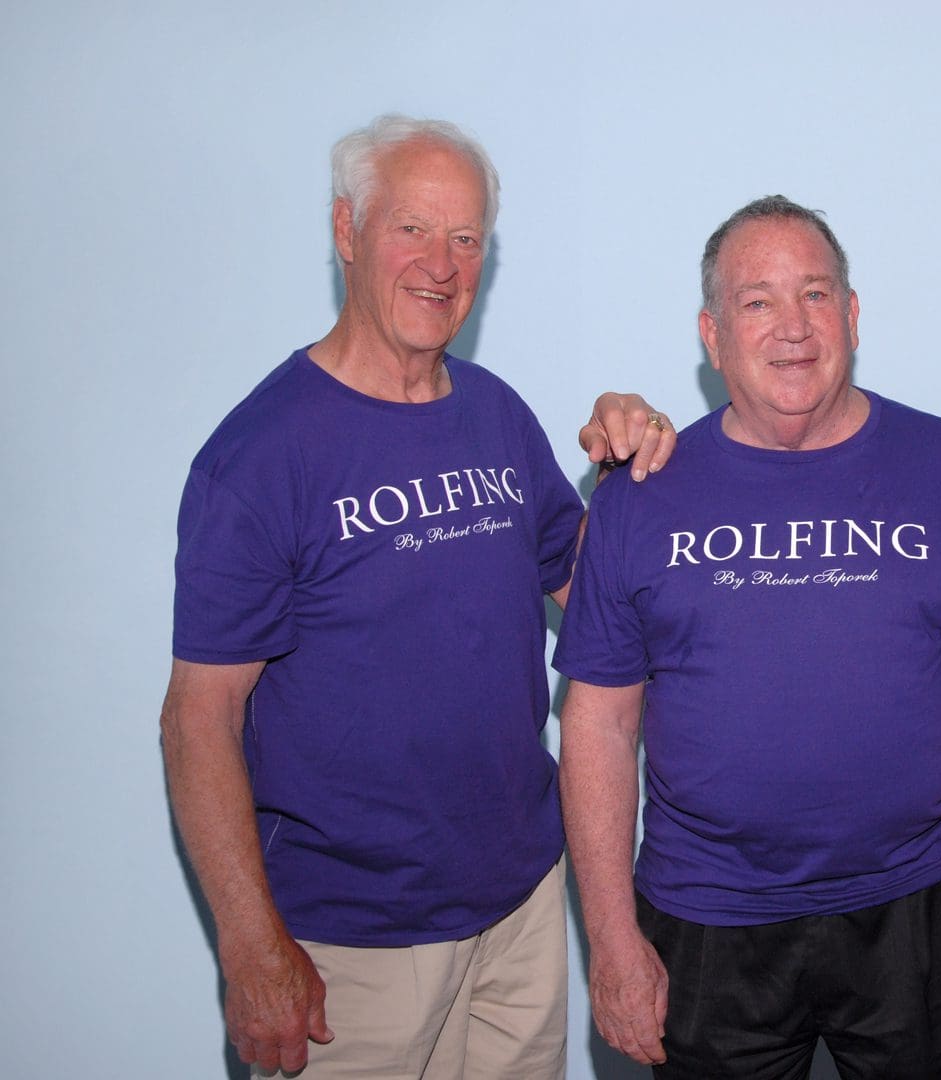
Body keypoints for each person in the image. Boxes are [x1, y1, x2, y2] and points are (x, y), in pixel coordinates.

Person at [159, 114, 675, 1079]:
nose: (440, 263)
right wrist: (250, 946)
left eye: (467, 237)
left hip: (520, 906)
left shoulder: (495, 413)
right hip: (345, 945)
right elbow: (197, 719)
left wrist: (630, 455)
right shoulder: (261, 454)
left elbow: (597, 588)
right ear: (347, 230)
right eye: (411, 228)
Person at [554, 195, 941, 1080]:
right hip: (706, 918)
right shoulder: (639, 492)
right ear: (711, 332)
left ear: (851, 315)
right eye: (757, 301)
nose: (792, 327)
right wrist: (611, 939)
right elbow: (597, 725)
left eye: (815, 295)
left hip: (923, 905)